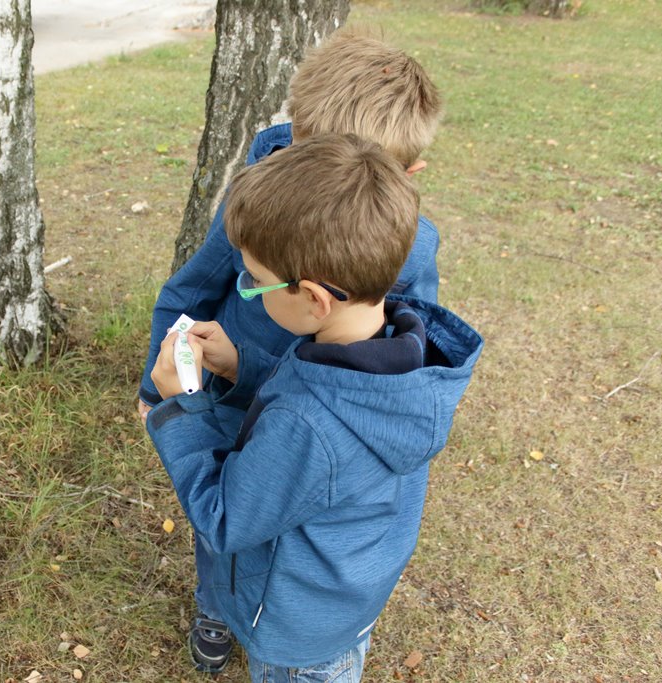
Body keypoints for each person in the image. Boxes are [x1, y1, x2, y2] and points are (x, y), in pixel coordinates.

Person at [139, 30, 446, 672]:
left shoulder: (316, 423)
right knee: (240, 518)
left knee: (241, 511)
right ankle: (221, 604)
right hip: (238, 393)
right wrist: (226, 371)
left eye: (256, 277)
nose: (246, 285)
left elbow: (234, 506)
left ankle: (251, 610)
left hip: (299, 604)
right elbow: (196, 286)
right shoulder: (381, 363)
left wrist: (174, 417)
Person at [139, 30, 444, 415]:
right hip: (224, 403)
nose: (306, 201)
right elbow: (192, 289)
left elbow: (399, 368)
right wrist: (156, 389)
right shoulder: (259, 202)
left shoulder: (412, 253)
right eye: (300, 167)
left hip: (307, 420)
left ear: (408, 174)